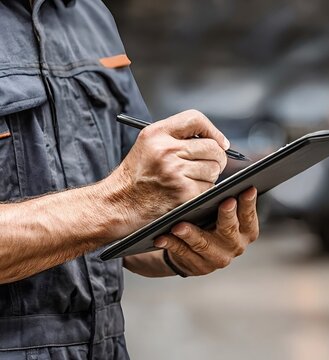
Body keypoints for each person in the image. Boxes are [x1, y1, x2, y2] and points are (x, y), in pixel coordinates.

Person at [0, 0, 259, 359]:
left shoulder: (90, 15)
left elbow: (133, 224)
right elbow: (124, 200)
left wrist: (186, 245)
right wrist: (120, 201)